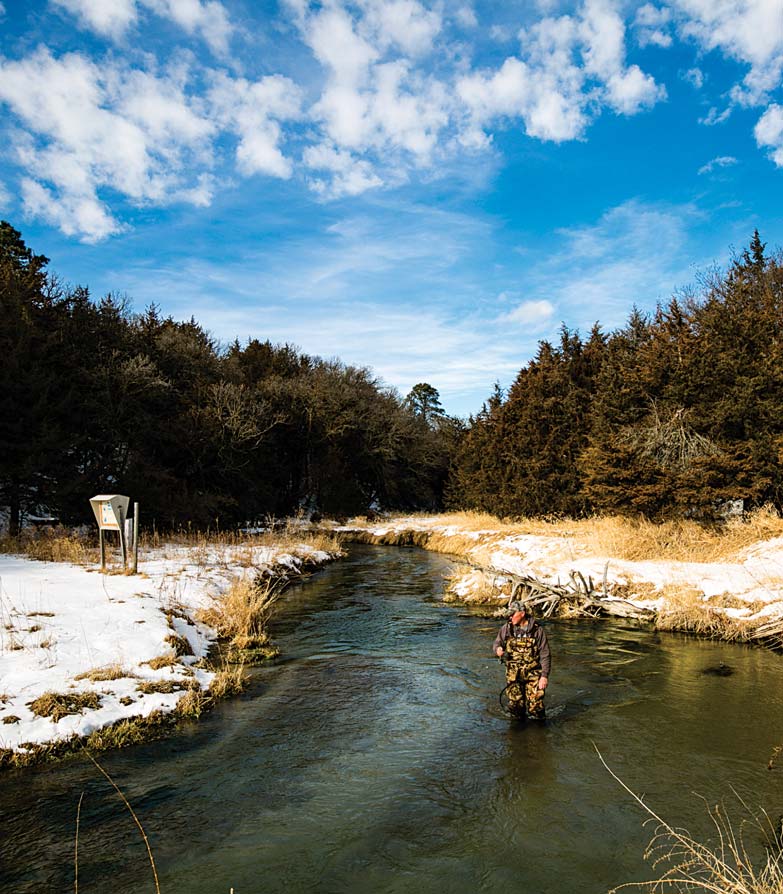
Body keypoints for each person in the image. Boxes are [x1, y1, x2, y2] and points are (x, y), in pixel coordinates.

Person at [493, 600, 550, 720]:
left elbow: (545, 654)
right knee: (516, 708)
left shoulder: (537, 630)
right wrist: (498, 649)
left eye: (513, 614)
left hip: (533, 674)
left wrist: (544, 676)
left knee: (536, 709)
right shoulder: (507, 628)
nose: (510, 617)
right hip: (514, 675)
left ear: (522, 613)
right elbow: (497, 643)